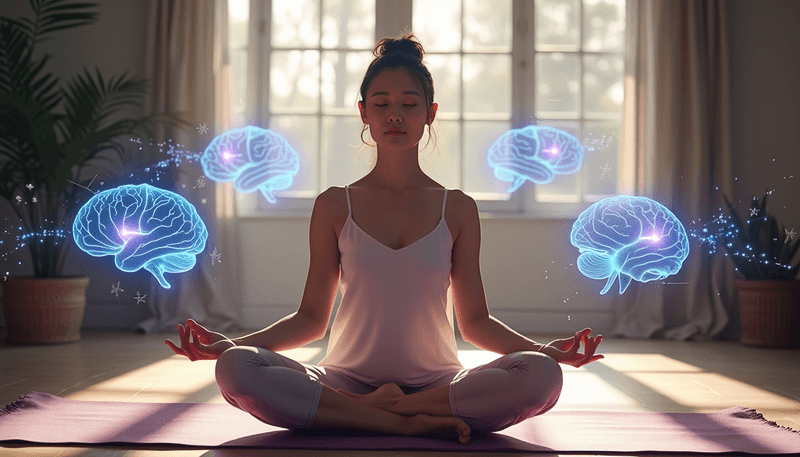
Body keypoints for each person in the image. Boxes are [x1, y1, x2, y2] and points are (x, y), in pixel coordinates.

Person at [166, 33, 604, 445]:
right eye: (382, 103)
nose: (394, 114)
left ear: (429, 113)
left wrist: (545, 350)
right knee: (236, 367)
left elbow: (475, 324)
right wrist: (236, 345)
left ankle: (376, 413)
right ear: (364, 113)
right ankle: (401, 423)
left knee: (543, 375)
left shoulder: (458, 208)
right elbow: (311, 319)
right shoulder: (335, 205)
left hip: (439, 384)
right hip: (343, 379)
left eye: (409, 104)